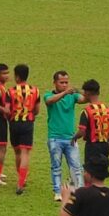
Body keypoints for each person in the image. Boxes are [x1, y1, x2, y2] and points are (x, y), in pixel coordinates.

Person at [45, 70, 86, 201]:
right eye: (61, 82)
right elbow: (50, 101)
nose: (64, 85)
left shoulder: (72, 96)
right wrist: (64, 93)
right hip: (55, 137)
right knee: (56, 166)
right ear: (54, 83)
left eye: (66, 82)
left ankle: (77, 190)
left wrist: (81, 91)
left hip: (70, 138)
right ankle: (57, 192)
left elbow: (84, 99)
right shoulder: (48, 95)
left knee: (76, 166)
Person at [6, 64, 40, 195]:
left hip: (14, 123)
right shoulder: (35, 91)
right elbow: (37, 110)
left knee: (17, 152)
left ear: (17, 76)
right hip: (28, 123)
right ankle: (21, 182)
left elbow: (8, 110)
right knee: (25, 152)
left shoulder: (11, 91)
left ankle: (20, 178)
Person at [72, 80, 109, 163]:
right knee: (101, 172)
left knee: (90, 173)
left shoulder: (87, 111)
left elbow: (81, 132)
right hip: (105, 146)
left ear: (87, 93)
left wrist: (74, 138)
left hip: (92, 147)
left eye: (84, 92)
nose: (83, 94)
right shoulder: (107, 110)